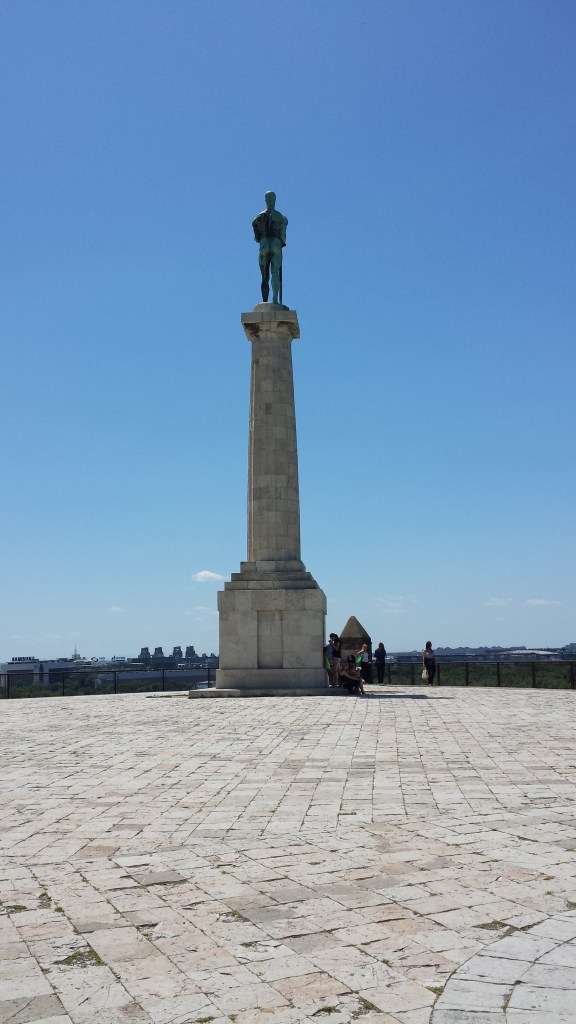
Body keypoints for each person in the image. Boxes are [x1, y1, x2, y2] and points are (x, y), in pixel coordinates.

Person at [252, 191, 288, 304]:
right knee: (275, 272)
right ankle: (275, 299)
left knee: (264, 276)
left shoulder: (258, 218)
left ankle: (264, 301)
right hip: (276, 244)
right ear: (275, 200)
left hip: (264, 244)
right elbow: (283, 238)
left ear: (265, 200)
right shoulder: (281, 218)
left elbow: (256, 238)